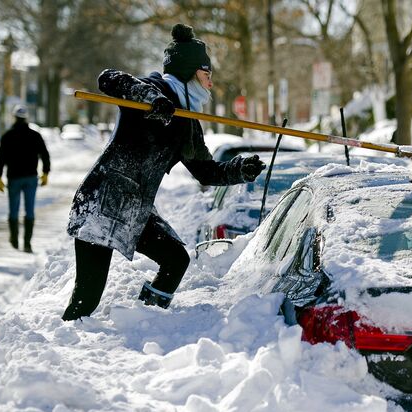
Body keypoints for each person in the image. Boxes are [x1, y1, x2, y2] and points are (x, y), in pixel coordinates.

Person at [62, 23, 266, 321]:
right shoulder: (153, 88)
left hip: (136, 207)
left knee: (176, 259)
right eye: (207, 75)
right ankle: (66, 338)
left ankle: (148, 318)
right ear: (188, 72)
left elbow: (206, 172)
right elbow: (108, 78)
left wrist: (240, 169)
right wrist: (151, 99)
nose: (210, 84)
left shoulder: (188, 122)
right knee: (88, 297)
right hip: (103, 203)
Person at [0, 105, 50, 253]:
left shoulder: (7, 136)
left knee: (13, 210)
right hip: (31, 178)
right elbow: (45, 154)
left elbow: (0, 158)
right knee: (29, 211)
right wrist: (45, 173)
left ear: (14, 117)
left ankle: (14, 241)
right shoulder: (35, 135)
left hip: (14, 178)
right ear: (26, 118)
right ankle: (27, 243)